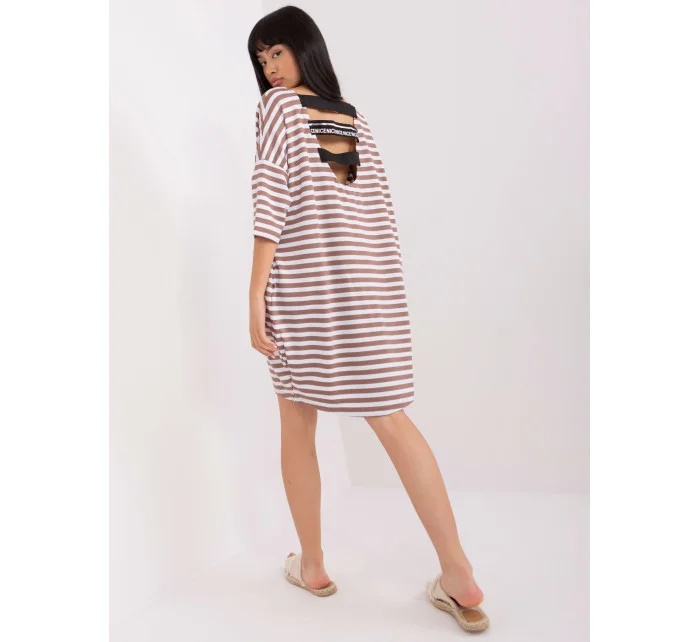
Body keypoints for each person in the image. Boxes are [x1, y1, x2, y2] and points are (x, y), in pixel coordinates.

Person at [247, 5, 489, 632]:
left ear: (306, 48)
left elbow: (271, 200)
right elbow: (371, 208)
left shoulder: (278, 110)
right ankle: (457, 572)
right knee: (392, 419)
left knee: (296, 420)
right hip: (371, 293)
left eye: (278, 51)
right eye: (262, 58)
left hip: (309, 295)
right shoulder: (353, 118)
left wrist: (255, 296)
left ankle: (313, 565)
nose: (270, 68)